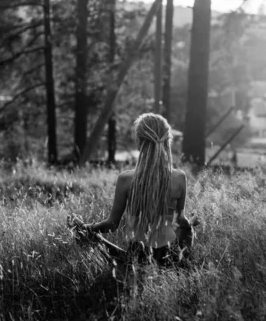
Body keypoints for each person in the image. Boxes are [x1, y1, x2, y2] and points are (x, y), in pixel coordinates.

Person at [83, 113, 193, 265]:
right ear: (167, 141)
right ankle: (180, 266)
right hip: (170, 254)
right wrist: (189, 225)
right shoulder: (179, 177)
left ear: (140, 141)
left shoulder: (126, 179)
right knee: (185, 233)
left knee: (86, 234)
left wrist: (89, 228)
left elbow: (112, 225)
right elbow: (180, 220)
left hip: (138, 255)